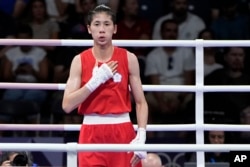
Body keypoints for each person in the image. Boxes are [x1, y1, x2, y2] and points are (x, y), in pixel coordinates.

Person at [62, 4, 148, 167]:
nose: (102, 29)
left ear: (115, 28)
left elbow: (141, 102)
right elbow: (67, 105)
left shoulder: (129, 58)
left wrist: (141, 134)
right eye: (97, 24)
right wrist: (96, 80)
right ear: (89, 29)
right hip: (91, 132)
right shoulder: (79, 61)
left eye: (107, 24)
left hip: (122, 130)